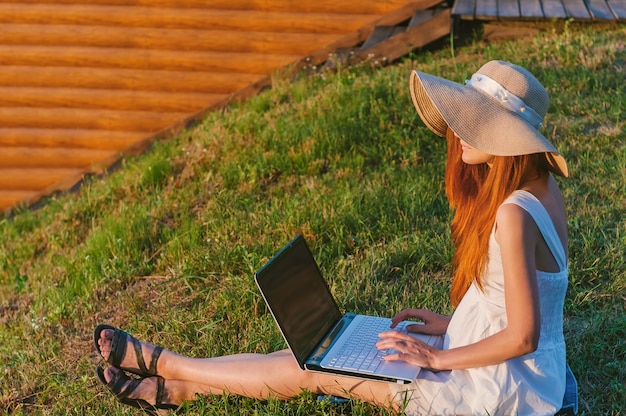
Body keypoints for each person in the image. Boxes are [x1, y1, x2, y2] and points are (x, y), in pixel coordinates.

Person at [94, 60, 570, 415]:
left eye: (472, 123)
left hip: (493, 395)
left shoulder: (513, 214)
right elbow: (526, 306)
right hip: (520, 376)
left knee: (314, 368)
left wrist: (438, 355)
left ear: (507, 140)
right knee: (316, 353)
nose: (457, 133)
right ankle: (179, 388)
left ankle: (172, 366)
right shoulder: (541, 192)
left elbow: (524, 334)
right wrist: (452, 323)